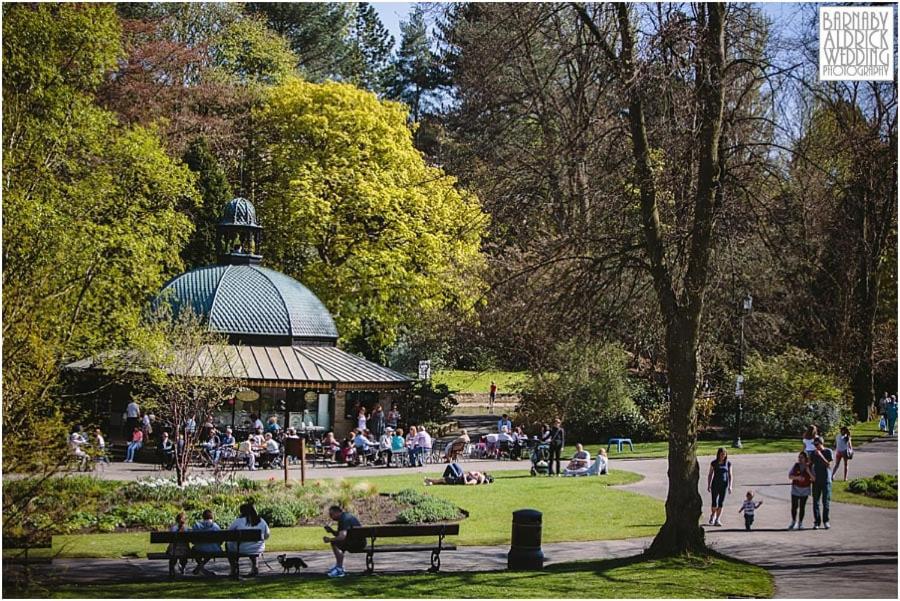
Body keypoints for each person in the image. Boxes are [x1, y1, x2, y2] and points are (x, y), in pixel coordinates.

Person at [227, 502, 270, 578]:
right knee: (251, 546)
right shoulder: (261, 521)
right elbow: (267, 535)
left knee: (229, 546)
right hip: (258, 548)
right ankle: (255, 567)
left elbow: (229, 533)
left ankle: (233, 568)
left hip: (241, 548)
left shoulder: (238, 521)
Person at [323, 505, 363, 578]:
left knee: (335, 543)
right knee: (337, 542)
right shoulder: (344, 517)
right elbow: (340, 535)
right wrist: (331, 531)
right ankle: (338, 566)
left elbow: (342, 537)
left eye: (331, 514)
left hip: (357, 544)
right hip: (358, 541)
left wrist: (329, 539)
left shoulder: (344, 519)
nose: (331, 517)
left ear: (337, 512)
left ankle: (339, 569)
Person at [810, 436, 833, 529]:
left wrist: (820, 455)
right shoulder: (813, 453)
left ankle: (826, 521)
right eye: (814, 445)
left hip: (826, 480)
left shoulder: (828, 451)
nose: (815, 446)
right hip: (816, 480)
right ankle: (817, 522)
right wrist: (811, 475)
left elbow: (828, 464)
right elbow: (810, 465)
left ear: (821, 443)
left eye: (817, 444)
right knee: (815, 502)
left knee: (825, 502)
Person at [706, 447, 733, 526]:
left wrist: (730, 486)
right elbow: (710, 474)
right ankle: (713, 515)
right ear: (718, 454)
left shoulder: (728, 463)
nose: (723, 456)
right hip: (715, 484)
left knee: (721, 502)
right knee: (714, 502)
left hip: (724, 485)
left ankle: (718, 519)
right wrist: (709, 485)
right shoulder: (714, 463)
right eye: (721, 454)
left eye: (724, 454)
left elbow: (730, 475)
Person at [788, 451, 814, 529]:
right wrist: (797, 478)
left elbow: (813, 478)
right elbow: (790, 476)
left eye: (801, 457)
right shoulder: (796, 465)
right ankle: (793, 521)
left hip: (805, 489)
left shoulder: (810, 466)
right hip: (795, 488)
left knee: (802, 507)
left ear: (806, 458)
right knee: (794, 506)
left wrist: (808, 471)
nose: (800, 459)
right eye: (799, 457)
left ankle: (800, 522)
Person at [191, 509, 222, 576]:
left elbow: (192, 541)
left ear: (203, 516)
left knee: (194, 549)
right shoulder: (215, 527)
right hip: (214, 549)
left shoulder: (196, 526)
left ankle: (200, 567)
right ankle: (201, 568)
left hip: (199, 549)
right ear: (212, 516)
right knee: (210, 550)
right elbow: (220, 540)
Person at [167, 512, 190, 576]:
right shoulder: (186, 529)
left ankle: (172, 568)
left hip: (173, 551)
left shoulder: (173, 528)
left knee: (173, 553)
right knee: (184, 554)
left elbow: (170, 541)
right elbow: (187, 542)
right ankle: (183, 566)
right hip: (184, 551)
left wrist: (168, 548)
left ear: (176, 520)